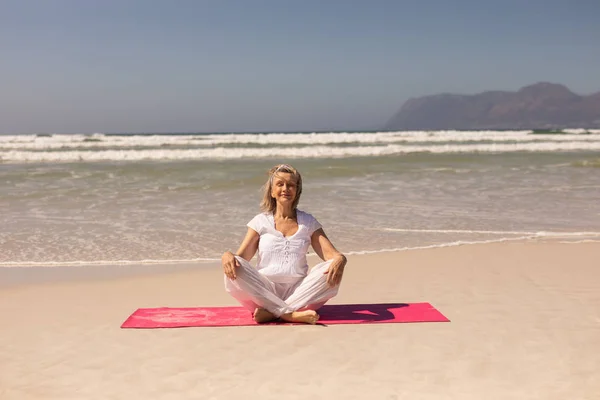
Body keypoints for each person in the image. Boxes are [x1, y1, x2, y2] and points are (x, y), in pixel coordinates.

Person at [222, 164, 347, 325]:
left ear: (297, 191)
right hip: (264, 291)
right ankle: (290, 314)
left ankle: (273, 313)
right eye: (280, 184)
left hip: (301, 291)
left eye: (291, 185)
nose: (285, 188)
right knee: (233, 265)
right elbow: (241, 258)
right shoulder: (260, 221)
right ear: (272, 191)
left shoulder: (308, 222)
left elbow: (332, 255)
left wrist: (341, 259)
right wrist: (227, 255)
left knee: (332, 267)